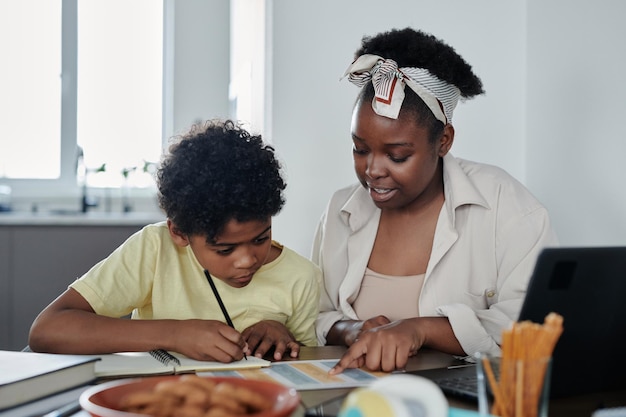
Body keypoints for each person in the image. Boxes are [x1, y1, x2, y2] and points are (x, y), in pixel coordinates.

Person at [311, 28, 558, 374]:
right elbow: (315, 314)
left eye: (397, 156)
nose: (372, 170)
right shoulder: (340, 210)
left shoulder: (504, 204)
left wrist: (420, 329)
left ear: (444, 141)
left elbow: (535, 325)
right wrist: (349, 330)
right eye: (360, 148)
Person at [29, 119, 321, 362]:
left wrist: (283, 336)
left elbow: (311, 363)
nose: (247, 260)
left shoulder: (301, 277)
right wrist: (175, 334)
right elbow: (47, 330)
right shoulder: (154, 251)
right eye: (224, 249)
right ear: (179, 233)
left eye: (261, 238)